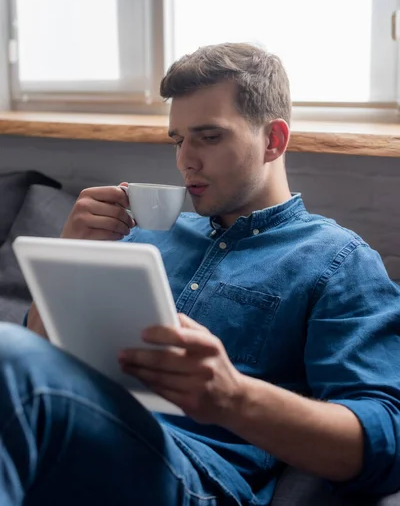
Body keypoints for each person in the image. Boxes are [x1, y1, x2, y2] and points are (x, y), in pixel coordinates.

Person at [1, 43, 400, 506]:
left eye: (209, 137)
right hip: (74, 437)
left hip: (194, 475)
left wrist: (233, 396)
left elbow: (386, 439)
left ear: (273, 140)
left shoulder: (336, 260)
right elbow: (40, 355)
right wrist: (69, 258)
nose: (184, 160)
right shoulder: (142, 236)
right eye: (178, 139)